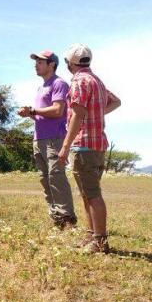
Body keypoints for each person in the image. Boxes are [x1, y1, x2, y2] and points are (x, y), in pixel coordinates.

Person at [58, 45, 122, 254]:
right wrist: (97, 112)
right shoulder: (97, 81)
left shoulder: (78, 81)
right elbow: (116, 101)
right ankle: (91, 235)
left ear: (70, 63)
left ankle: (100, 241)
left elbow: (77, 115)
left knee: (92, 194)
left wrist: (65, 147)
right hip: (97, 144)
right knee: (87, 192)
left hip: (83, 144)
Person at [17, 50, 77, 229]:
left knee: (56, 177)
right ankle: (57, 218)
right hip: (39, 139)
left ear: (52, 64)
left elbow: (58, 110)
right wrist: (29, 114)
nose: (36, 64)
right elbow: (43, 115)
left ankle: (67, 218)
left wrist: (33, 111)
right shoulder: (41, 87)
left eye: (40, 62)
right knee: (45, 179)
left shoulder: (59, 83)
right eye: (36, 62)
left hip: (54, 139)